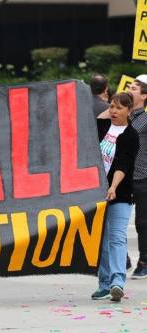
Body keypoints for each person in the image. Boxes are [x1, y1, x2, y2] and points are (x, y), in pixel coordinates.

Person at [91, 92, 139, 302]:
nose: (113, 111)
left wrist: (113, 186)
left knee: (117, 237)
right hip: (95, 192)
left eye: (119, 108)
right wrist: (111, 106)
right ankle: (103, 284)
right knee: (102, 240)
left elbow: (123, 163)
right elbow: (95, 120)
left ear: (130, 111)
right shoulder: (102, 128)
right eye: (111, 106)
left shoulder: (131, 135)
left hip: (120, 193)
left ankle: (117, 282)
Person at [128, 75, 147, 279]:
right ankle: (121, 259)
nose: (129, 90)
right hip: (123, 177)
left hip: (143, 177)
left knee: (142, 222)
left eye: (134, 88)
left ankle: (144, 261)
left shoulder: (145, 119)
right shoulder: (124, 115)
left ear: (144, 96)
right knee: (112, 218)